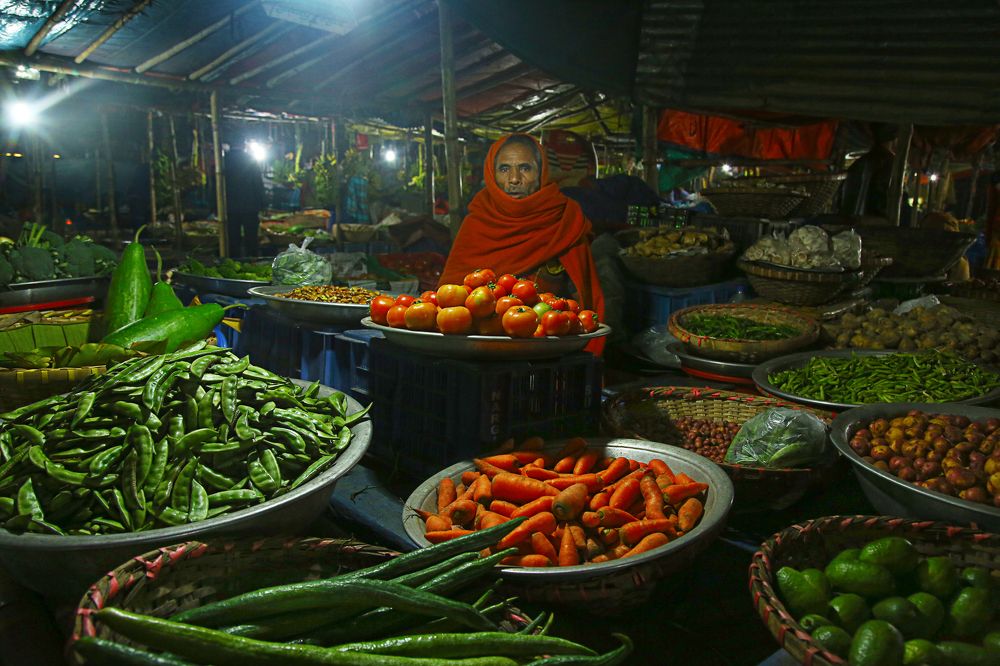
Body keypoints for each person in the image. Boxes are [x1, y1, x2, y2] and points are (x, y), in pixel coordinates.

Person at [439, 133, 605, 352]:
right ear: (491, 173)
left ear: (542, 172)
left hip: (547, 345)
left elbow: (583, 297)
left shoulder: (564, 218)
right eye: (504, 169)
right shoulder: (477, 221)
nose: (514, 179)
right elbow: (449, 300)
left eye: (525, 168)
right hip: (479, 344)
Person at [224, 145, 265, 257]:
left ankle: (234, 261)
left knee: (233, 239)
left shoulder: (224, 160)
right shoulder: (250, 159)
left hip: (230, 206)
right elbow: (258, 184)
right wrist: (262, 204)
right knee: (251, 238)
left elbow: (216, 184)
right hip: (250, 206)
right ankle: (252, 261)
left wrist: (215, 206)